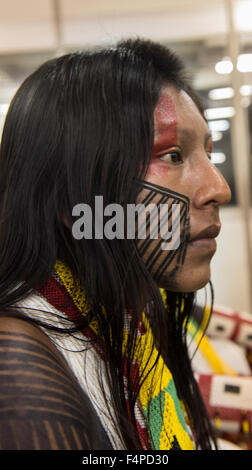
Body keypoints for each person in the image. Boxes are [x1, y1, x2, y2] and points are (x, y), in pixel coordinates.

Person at [0, 38, 231, 450]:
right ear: (71, 197)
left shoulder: (126, 319)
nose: (218, 188)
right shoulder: (19, 370)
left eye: (208, 155)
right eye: (174, 156)